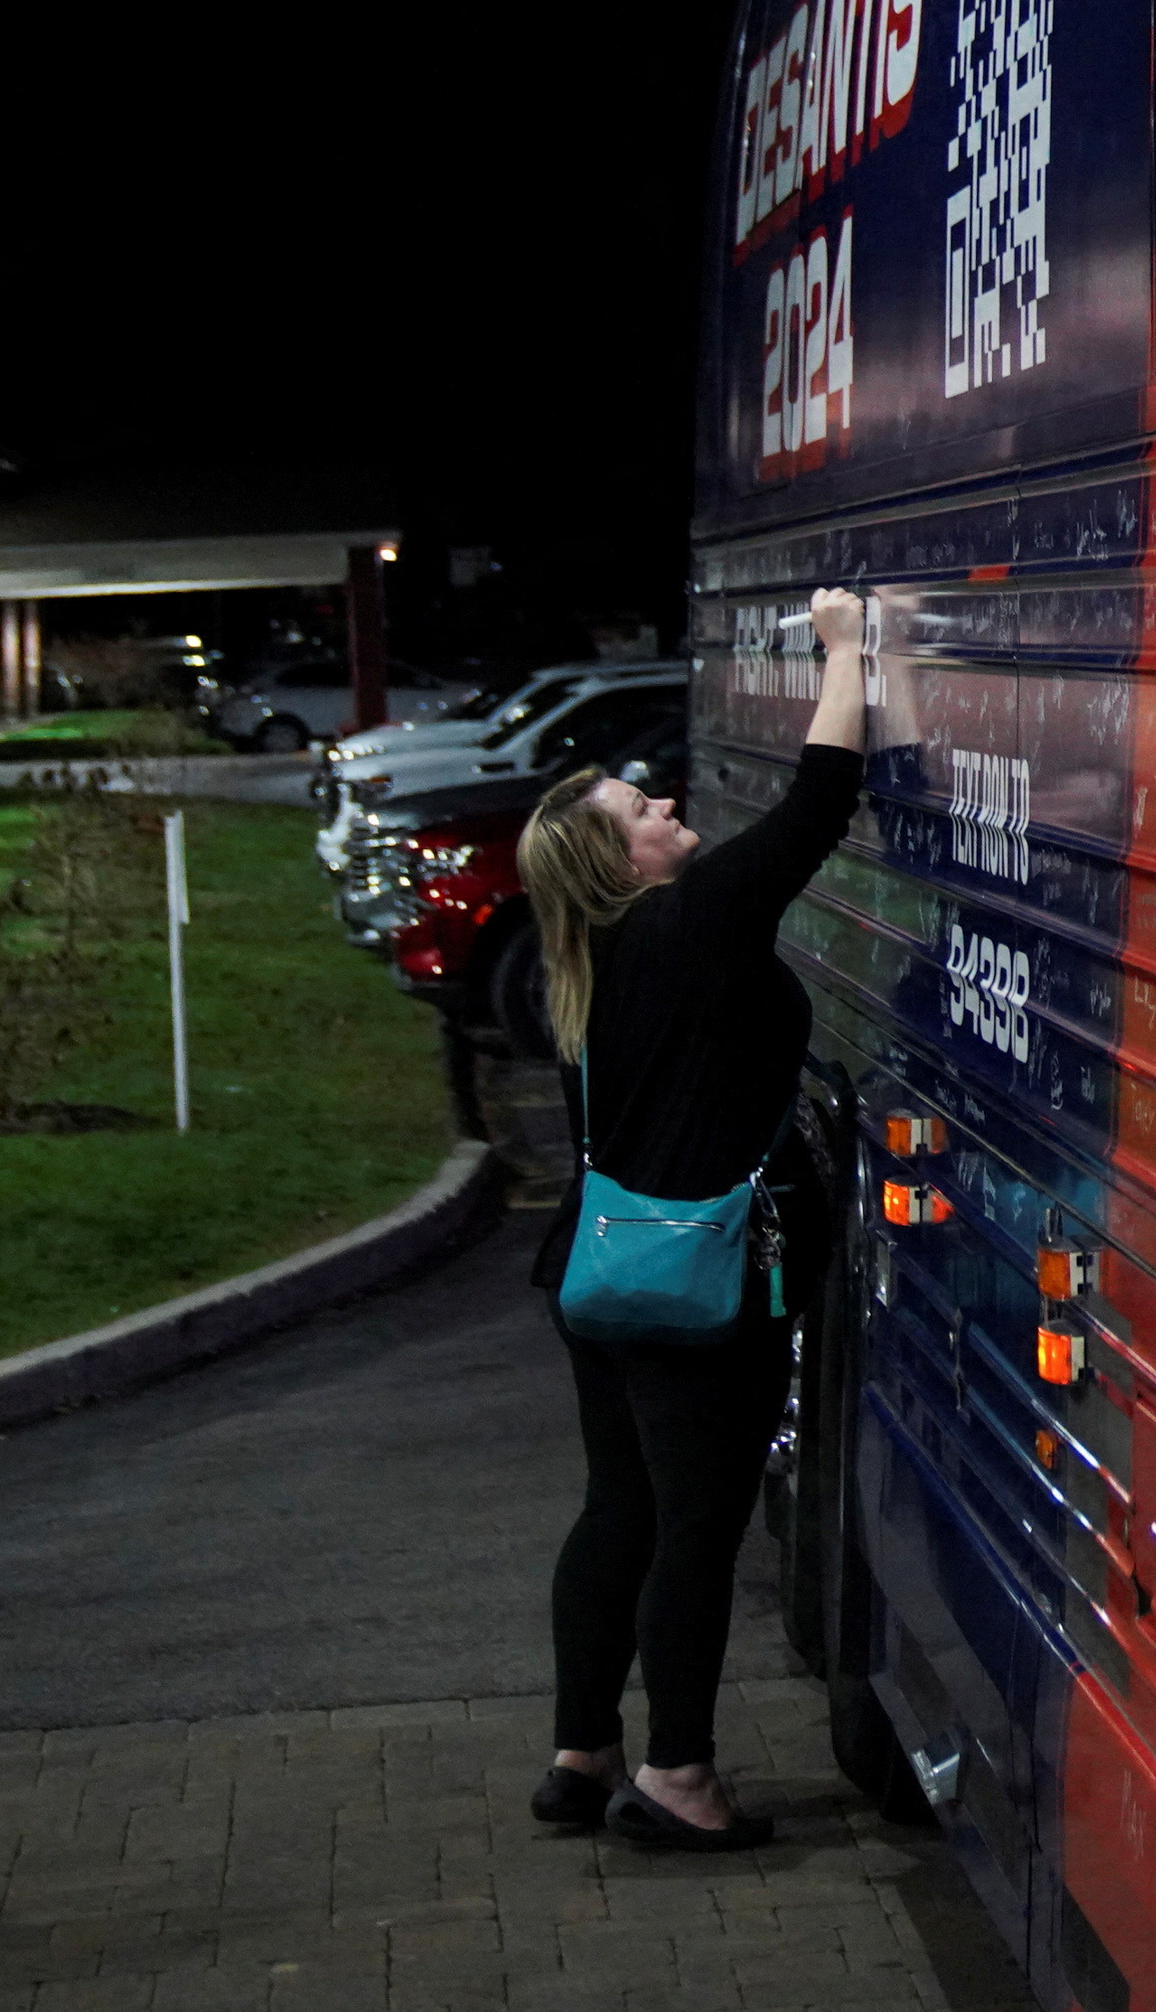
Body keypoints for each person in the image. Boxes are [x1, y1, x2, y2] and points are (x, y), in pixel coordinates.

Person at [514, 583, 869, 1853]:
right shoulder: (691, 923)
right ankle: (676, 1776)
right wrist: (846, 651)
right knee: (697, 1527)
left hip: (597, 1278)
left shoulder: (589, 959)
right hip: (694, 1288)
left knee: (617, 1506)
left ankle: (580, 1749)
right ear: (623, 862)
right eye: (642, 811)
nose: (667, 807)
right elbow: (818, 805)